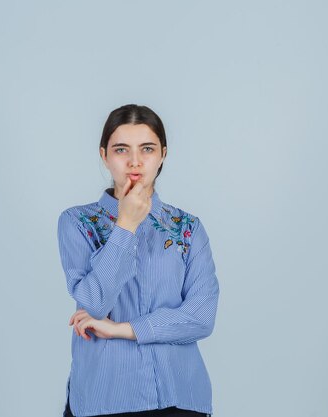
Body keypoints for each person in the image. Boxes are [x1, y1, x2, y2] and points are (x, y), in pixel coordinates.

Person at [57, 104, 219, 417]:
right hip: (106, 399)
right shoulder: (77, 222)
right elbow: (93, 304)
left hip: (181, 396)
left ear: (163, 154)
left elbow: (201, 316)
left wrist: (123, 329)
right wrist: (126, 226)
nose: (134, 161)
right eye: (121, 149)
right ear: (104, 155)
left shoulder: (187, 228)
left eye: (147, 148)